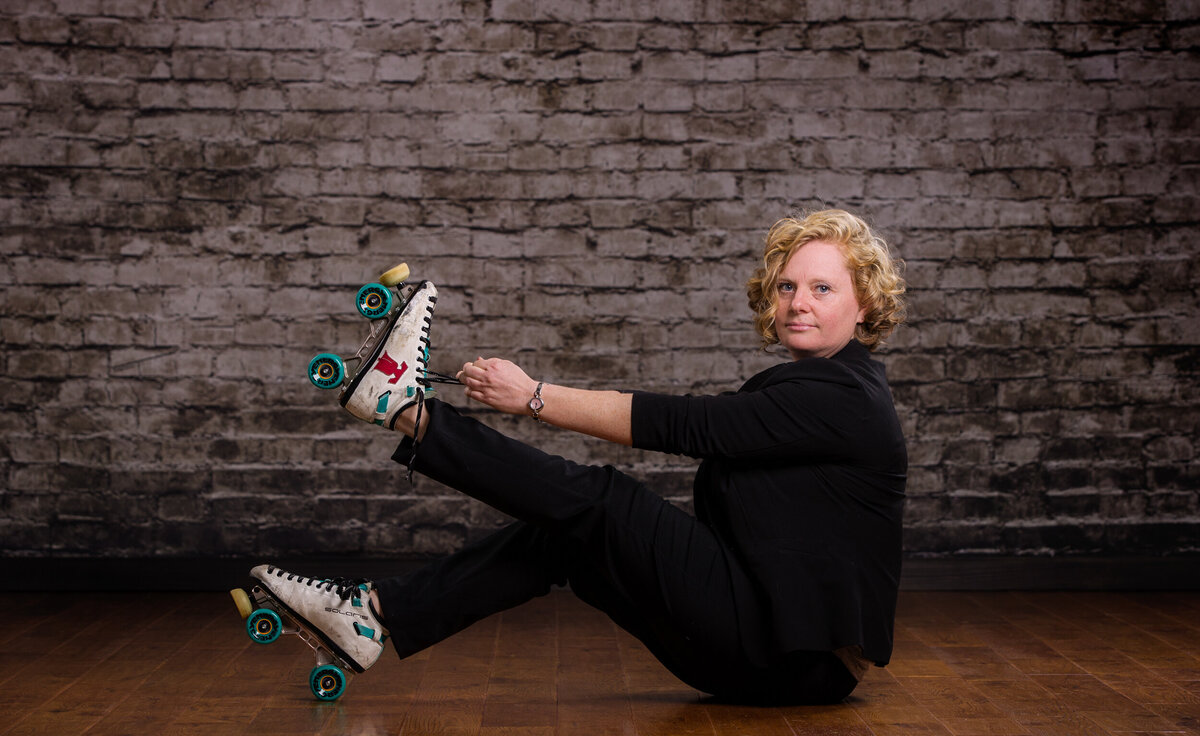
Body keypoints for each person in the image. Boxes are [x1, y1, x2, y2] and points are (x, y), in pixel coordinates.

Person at [252, 208, 908, 706]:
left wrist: (531, 395)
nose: (798, 302)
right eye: (788, 286)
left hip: (795, 659)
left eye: (822, 289)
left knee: (605, 503)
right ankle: (366, 618)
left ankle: (402, 410)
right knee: (564, 536)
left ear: (865, 302)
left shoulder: (845, 397)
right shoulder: (813, 386)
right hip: (772, 642)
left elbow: (684, 424)